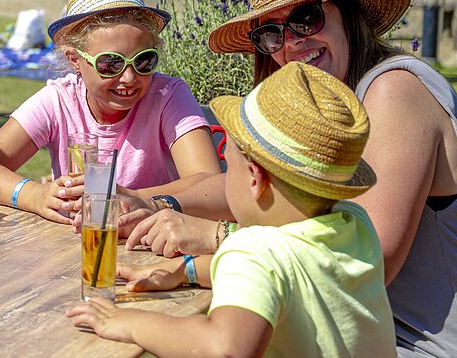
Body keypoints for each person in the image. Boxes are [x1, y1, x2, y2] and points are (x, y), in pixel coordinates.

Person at [122, 0, 456, 356]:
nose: (291, 42)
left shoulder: (392, 89)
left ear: (346, 12)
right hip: (342, 327)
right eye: (271, 33)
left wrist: (220, 239)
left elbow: (373, 261)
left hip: (413, 343)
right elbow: (240, 187)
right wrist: (143, 201)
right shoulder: (322, 108)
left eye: (306, 17)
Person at [67, 61, 395, 357]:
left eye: (229, 162)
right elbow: (286, 271)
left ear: (255, 178)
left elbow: (224, 347)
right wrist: (186, 271)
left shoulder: (254, 252)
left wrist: (127, 321)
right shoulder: (355, 223)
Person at [0, 0, 220, 224]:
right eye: (111, 63)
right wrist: (34, 194)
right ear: (74, 59)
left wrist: (135, 199)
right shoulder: (59, 101)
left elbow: (210, 181)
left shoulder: (168, 96)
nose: (129, 78)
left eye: (144, 60)